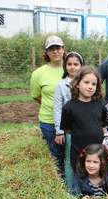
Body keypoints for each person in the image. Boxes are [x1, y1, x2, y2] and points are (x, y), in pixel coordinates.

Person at [30, 35, 67, 175]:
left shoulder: (71, 68)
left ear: (63, 49)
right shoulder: (38, 74)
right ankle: (60, 182)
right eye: (51, 49)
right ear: (46, 52)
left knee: (71, 153)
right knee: (56, 153)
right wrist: (52, 105)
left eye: (58, 48)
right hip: (49, 120)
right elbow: (36, 95)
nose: (55, 51)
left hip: (71, 120)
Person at [60, 66, 107, 170]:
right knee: (80, 179)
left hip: (97, 154)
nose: (90, 86)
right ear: (77, 84)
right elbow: (67, 130)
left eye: (93, 84)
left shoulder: (101, 106)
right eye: (86, 82)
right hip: (79, 154)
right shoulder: (69, 107)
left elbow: (102, 125)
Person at [53, 51, 85, 188]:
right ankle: (71, 187)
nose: (72, 67)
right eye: (69, 64)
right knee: (70, 159)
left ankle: (85, 185)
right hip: (70, 129)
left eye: (76, 64)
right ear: (65, 66)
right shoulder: (61, 85)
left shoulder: (86, 83)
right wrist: (59, 131)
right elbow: (57, 108)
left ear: (81, 66)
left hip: (84, 128)